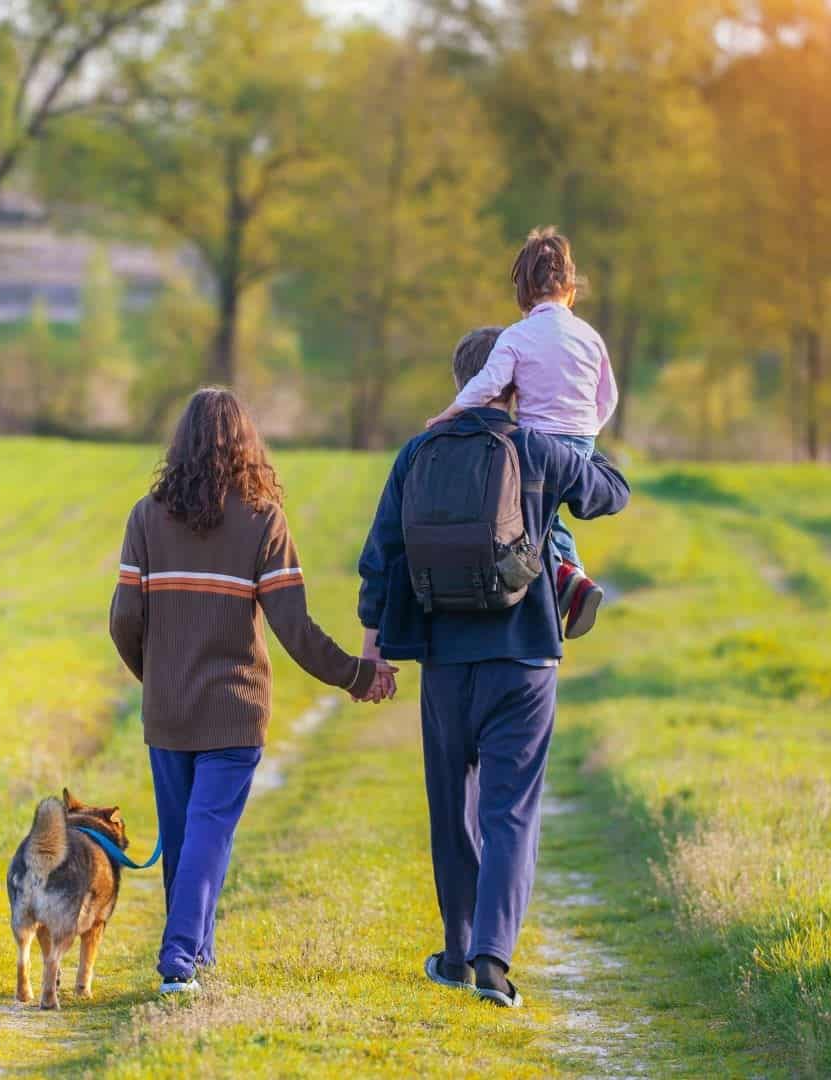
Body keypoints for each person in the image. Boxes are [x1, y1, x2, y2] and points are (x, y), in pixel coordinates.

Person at [360, 328, 629, 1008]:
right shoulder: (535, 449)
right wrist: (573, 422)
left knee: (453, 812)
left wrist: (374, 645)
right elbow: (612, 493)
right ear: (516, 381)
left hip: (446, 662)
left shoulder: (418, 452)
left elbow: (383, 555)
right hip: (525, 657)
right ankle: (493, 962)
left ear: (461, 381)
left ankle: (455, 953)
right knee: (511, 812)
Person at [110, 387, 396, 996]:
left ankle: (195, 955)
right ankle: (181, 959)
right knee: (205, 836)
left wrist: (155, 676)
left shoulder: (146, 515)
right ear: (246, 445)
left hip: (168, 710)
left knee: (188, 838)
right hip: (235, 711)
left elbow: (123, 622)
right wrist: (357, 673)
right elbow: (294, 628)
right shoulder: (263, 518)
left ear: (181, 444)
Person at [425, 229, 616, 638]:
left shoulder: (517, 335)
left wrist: (451, 410)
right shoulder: (591, 337)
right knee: (552, 516)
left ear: (524, 291)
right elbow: (608, 395)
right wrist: (589, 431)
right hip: (581, 442)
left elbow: (488, 384)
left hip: (534, 443)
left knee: (532, 520)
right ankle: (573, 576)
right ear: (571, 288)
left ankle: (567, 578)